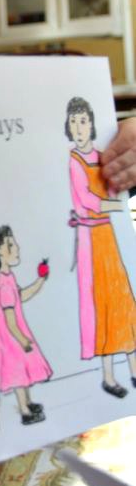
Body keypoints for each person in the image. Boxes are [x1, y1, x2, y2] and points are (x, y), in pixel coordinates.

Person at [65, 97, 136, 398]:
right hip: (89, 240)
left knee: (122, 300)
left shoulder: (102, 152)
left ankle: (132, 371)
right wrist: (113, 205)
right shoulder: (74, 161)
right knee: (101, 306)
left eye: (83, 121)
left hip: (108, 235)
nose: (79, 127)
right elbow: (86, 200)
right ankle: (107, 376)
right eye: (74, 122)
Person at [0, 226, 52, 425]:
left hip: (14, 334)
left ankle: (28, 403)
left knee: (22, 372)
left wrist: (40, 280)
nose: (17, 248)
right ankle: (24, 410)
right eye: (11, 244)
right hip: (11, 337)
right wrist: (22, 340)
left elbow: (20, 296)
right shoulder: (3, 283)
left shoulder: (7, 277)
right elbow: (9, 319)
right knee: (18, 375)